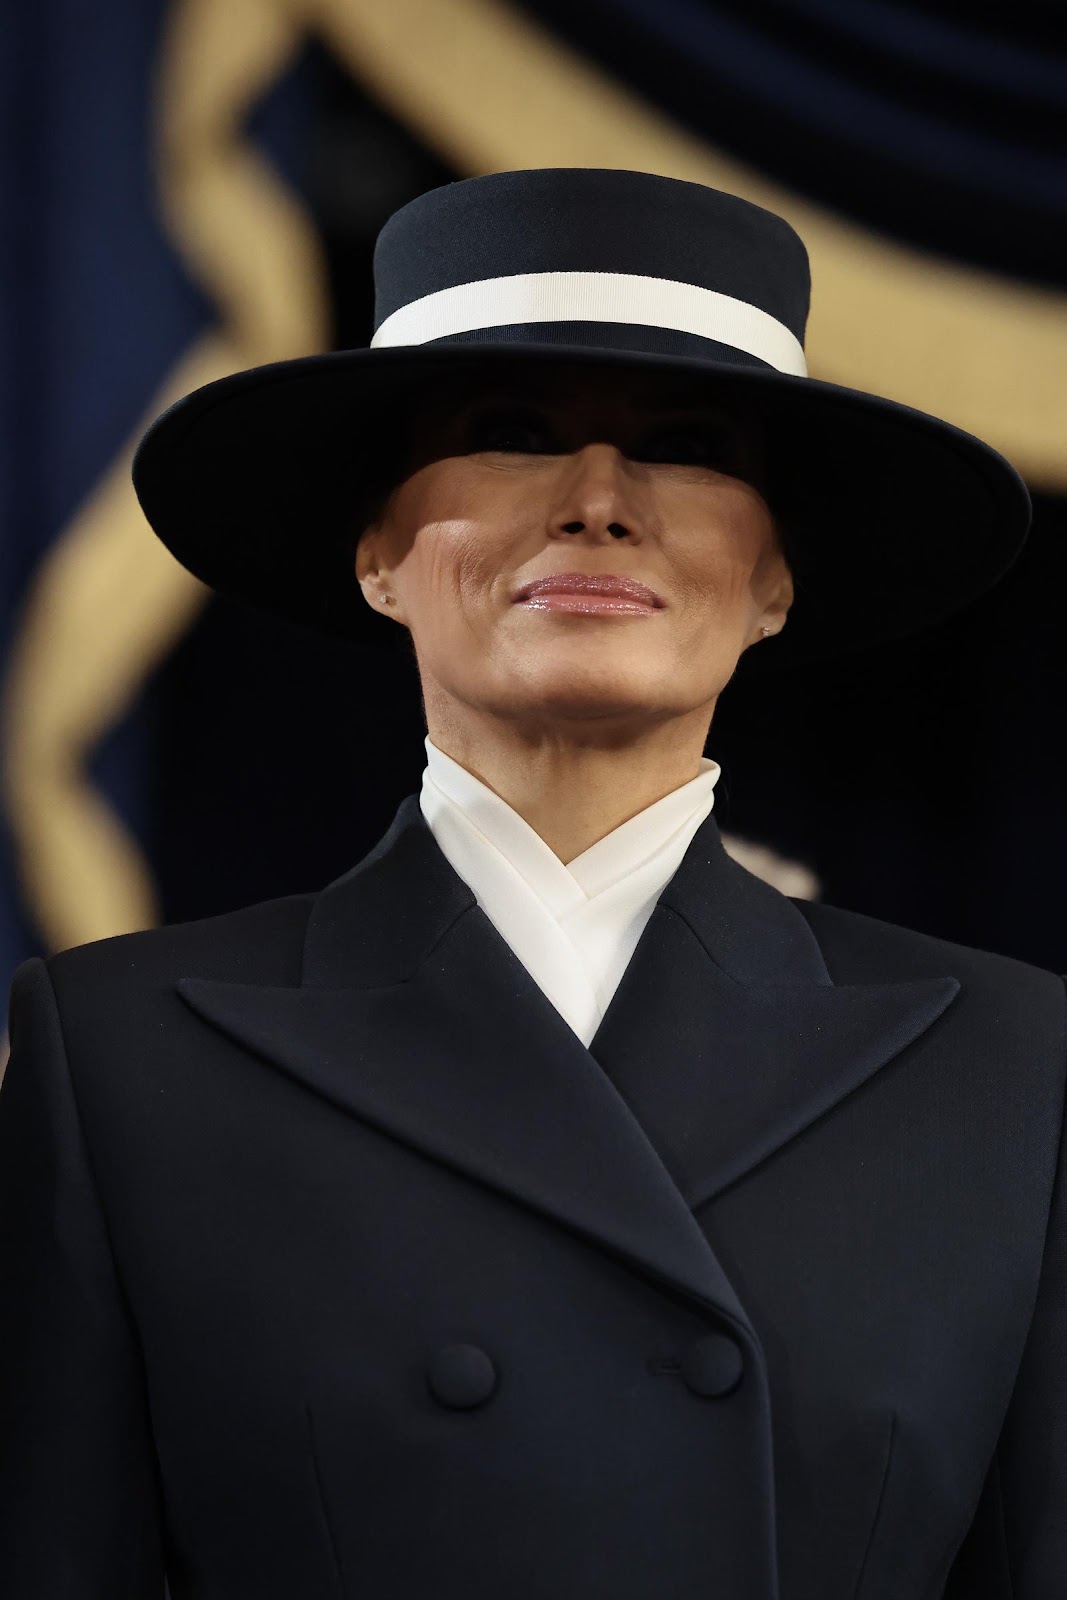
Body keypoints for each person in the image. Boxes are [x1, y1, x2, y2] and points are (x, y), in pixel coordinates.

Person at [0, 167, 1061, 1599]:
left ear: (774, 580)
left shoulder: (1013, 1071)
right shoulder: (117, 1057)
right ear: (378, 552)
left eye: (687, 444)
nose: (600, 503)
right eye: (509, 432)